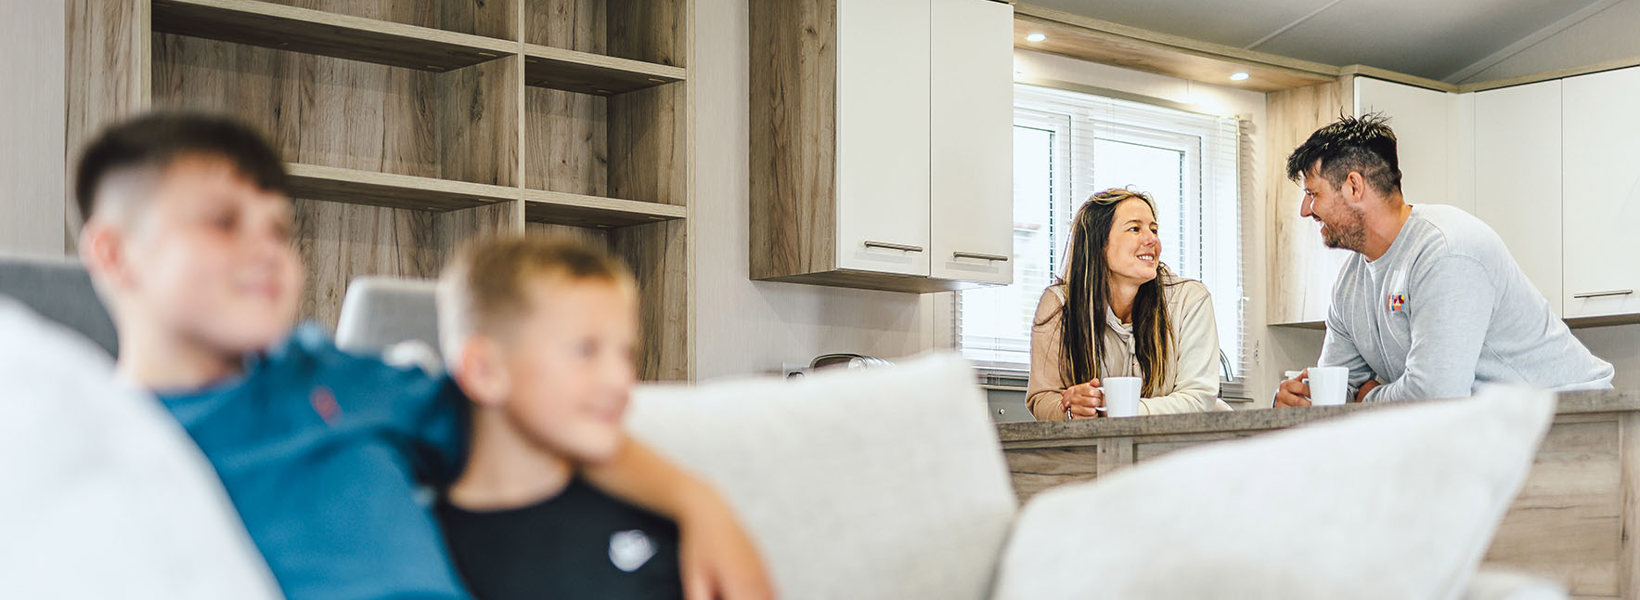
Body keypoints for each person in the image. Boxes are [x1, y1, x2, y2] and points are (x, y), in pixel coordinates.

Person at [72, 112, 771, 599]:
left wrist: (702, 505)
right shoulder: (92, 446)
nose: (265, 249)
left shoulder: (343, 381)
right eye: (223, 223)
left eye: (280, 229)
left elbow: (538, 412)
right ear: (114, 252)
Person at [1274, 114, 1613, 408]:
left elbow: (1435, 396)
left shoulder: (1447, 251)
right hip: (1493, 430)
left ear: (1353, 186)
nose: (1306, 210)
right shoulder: (1349, 284)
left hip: (1573, 419)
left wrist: (1367, 398)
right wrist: (1302, 400)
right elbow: (1338, 391)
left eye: (1312, 193)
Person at [433, 237, 693, 599]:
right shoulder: (417, 546)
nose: (621, 381)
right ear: (484, 370)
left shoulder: (660, 522)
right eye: (586, 350)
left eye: (626, 354)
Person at [1027, 188, 1233, 420]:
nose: (1152, 239)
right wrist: (1071, 409)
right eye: (1135, 229)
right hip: (1099, 450)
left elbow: (1198, 398)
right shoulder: (1059, 304)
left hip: (1182, 447)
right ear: (1099, 243)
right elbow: (1043, 396)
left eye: (1153, 229)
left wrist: (1119, 408)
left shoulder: (1190, 300)